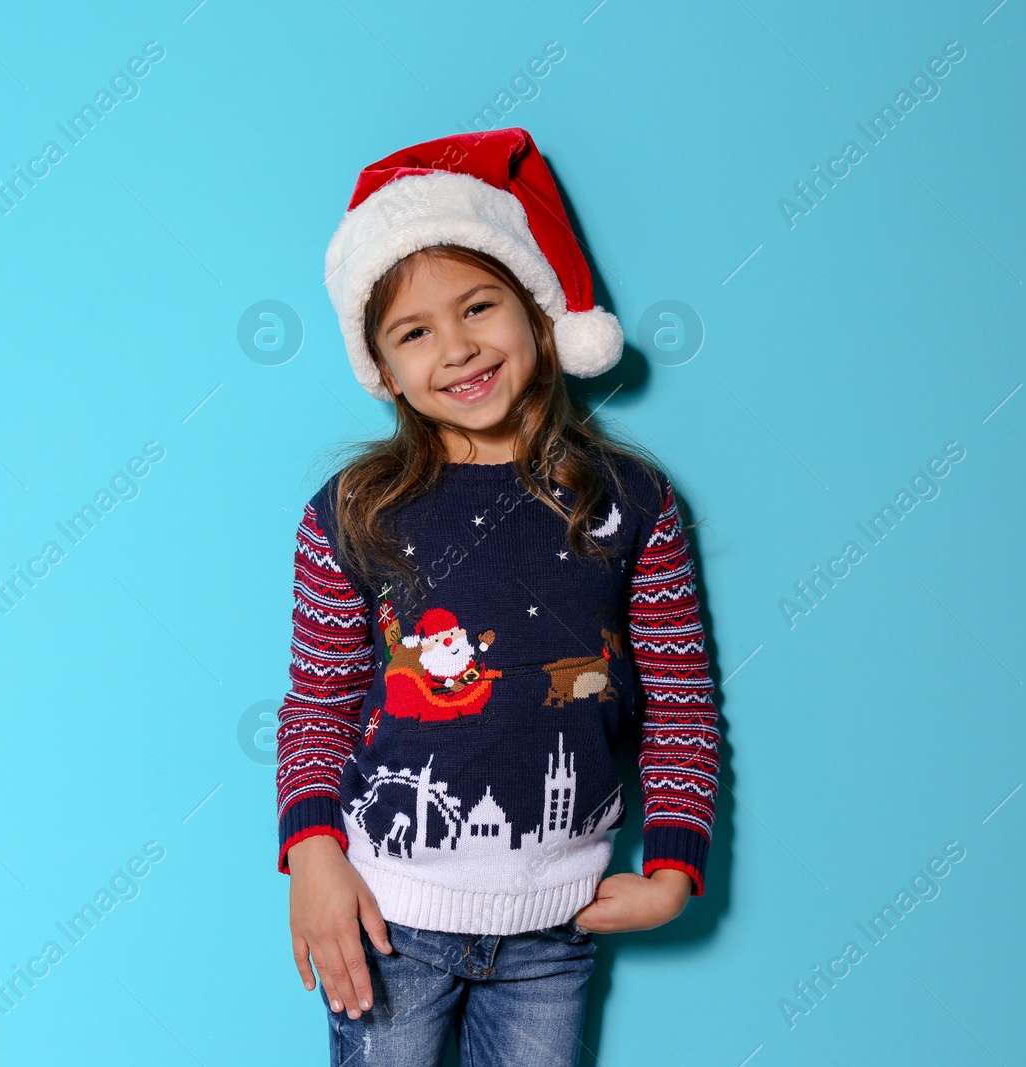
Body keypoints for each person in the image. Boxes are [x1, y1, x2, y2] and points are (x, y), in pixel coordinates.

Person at [274, 127, 720, 1067]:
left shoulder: (633, 505)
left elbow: (680, 698)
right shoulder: (352, 513)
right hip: (387, 920)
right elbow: (316, 702)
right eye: (415, 331)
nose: (459, 347)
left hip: (554, 936)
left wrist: (675, 863)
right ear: (384, 370)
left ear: (538, 312)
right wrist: (312, 852)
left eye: (480, 306)